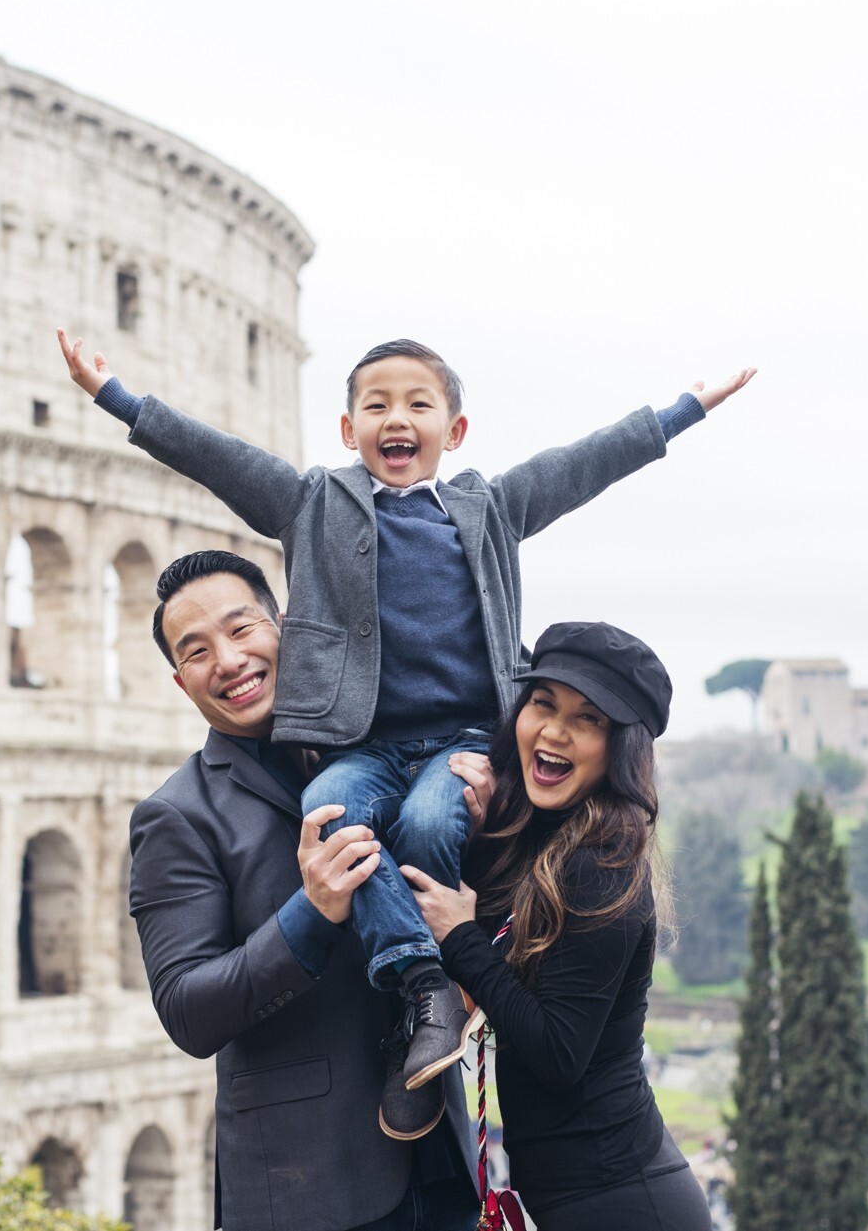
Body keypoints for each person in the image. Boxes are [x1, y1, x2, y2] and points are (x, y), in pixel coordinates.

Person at [58, 328, 753, 1125]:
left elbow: (582, 465)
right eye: (375, 404)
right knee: (330, 810)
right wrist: (120, 399)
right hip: (368, 745)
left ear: (454, 432)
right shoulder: (313, 502)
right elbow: (217, 459)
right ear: (347, 429)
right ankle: (424, 983)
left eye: (418, 403)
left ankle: (436, 987)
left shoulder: (487, 507)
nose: (397, 417)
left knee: (429, 819)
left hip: (457, 740)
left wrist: (680, 412)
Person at [125, 550, 476, 1231]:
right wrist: (310, 915)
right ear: (180, 680)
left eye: (241, 628)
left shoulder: (386, 760)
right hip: (310, 1192)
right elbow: (188, 1010)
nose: (227, 660)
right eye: (196, 651)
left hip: (439, 1167)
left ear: (284, 626)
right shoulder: (177, 815)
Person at [404, 622, 709, 1230]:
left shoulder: (602, 866)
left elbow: (557, 1053)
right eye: (543, 703)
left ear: (620, 747)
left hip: (624, 1203)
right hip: (583, 1199)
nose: (554, 731)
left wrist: (460, 938)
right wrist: (484, 832)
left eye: (589, 718)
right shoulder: (549, 840)